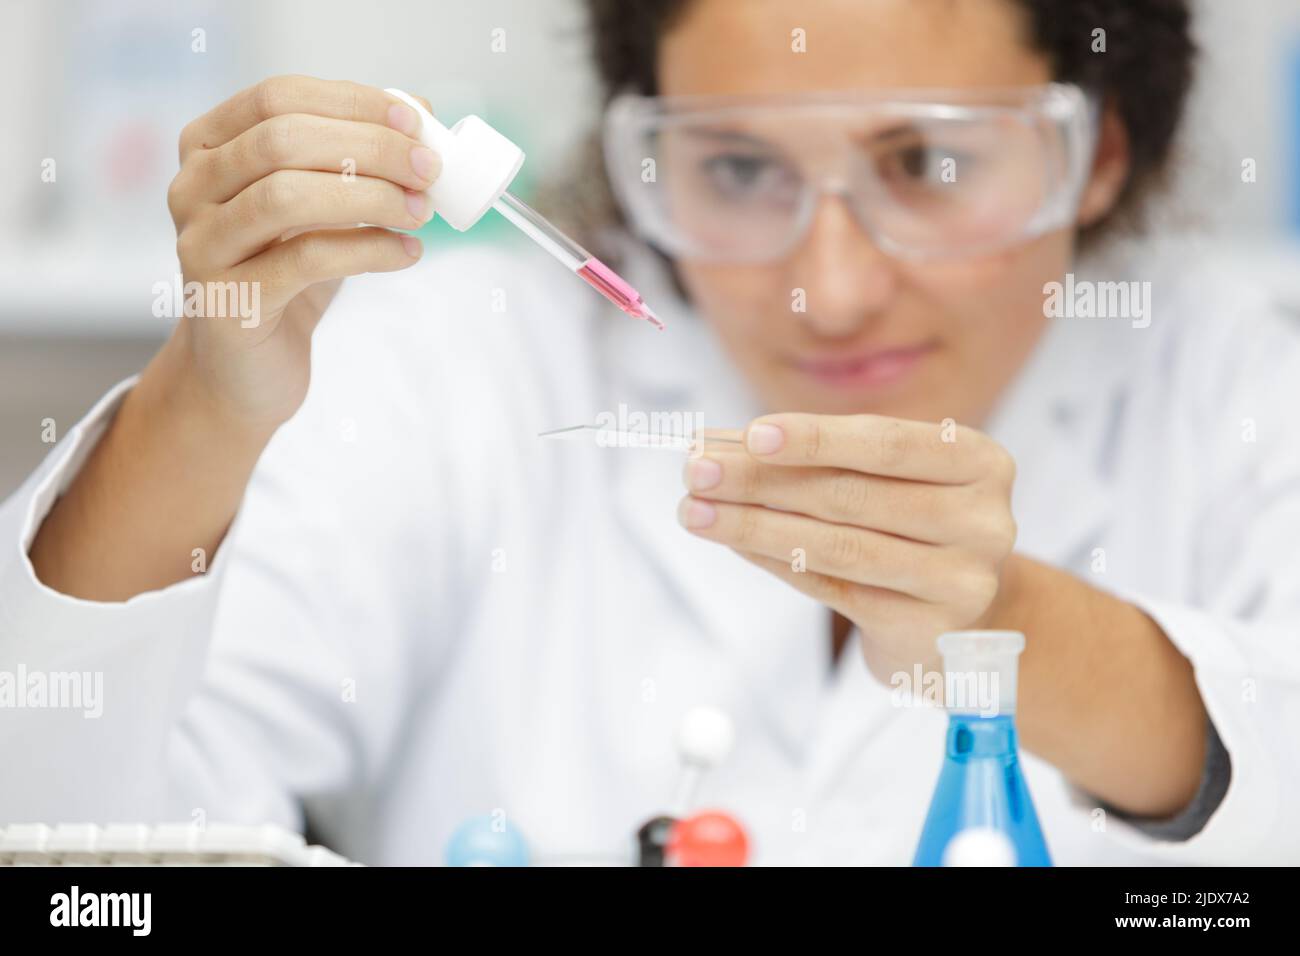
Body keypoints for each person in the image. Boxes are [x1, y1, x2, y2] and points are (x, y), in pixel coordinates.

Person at [1, 0, 1296, 865]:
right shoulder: (459, 368)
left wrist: (1004, 620)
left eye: (932, 164)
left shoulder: (1239, 388)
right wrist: (203, 406)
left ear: (1101, 147)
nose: (831, 288)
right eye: (737, 170)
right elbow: (70, 839)